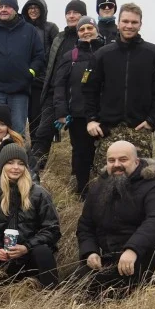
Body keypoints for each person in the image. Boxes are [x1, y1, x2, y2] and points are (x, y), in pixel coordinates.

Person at [74, 141, 155, 298]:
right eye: (111, 160)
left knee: (136, 290)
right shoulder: (97, 188)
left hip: (147, 254)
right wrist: (90, 252)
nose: (117, 164)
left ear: (136, 162)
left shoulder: (153, 186)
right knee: (77, 286)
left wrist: (132, 249)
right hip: (110, 256)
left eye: (123, 159)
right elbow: (85, 225)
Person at [83, 2, 155, 164]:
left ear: (140, 24)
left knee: (141, 182)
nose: (129, 26)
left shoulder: (154, 54)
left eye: (134, 22)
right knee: (106, 182)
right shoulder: (103, 54)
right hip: (108, 129)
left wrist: (152, 120)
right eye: (125, 21)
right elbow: (89, 89)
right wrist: (91, 119)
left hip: (139, 129)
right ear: (118, 23)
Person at [0, 143, 61, 288]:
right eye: (10, 163)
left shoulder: (39, 194)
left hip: (31, 256)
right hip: (5, 257)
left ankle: (52, 294)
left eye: (21, 163)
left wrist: (26, 247)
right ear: (1, 166)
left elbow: (52, 230)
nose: (16, 167)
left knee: (43, 252)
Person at [0, 0, 45, 135]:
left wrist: (30, 73)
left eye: (7, 6)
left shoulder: (29, 30)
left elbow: (39, 56)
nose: (3, 10)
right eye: (0, 7)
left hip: (20, 90)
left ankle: (16, 157)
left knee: (17, 130)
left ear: (15, 9)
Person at [51, 16, 104, 198]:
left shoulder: (107, 52)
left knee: (103, 153)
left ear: (96, 29)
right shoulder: (70, 57)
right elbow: (59, 86)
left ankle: (104, 190)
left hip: (104, 113)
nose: (86, 32)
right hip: (78, 114)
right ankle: (82, 191)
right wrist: (61, 112)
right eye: (82, 29)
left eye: (90, 27)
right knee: (81, 153)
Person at [32, 0, 88, 166]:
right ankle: (34, 171)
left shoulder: (88, 37)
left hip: (79, 95)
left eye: (75, 13)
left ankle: (77, 179)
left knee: (79, 140)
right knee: (42, 133)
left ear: (83, 15)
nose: (71, 16)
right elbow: (50, 63)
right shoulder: (59, 37)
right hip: (55, 94)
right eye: (68, 13)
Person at [22, 0, 59, 146]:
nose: (33, 10)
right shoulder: (22, 28)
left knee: (39, 121)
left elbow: (56, 53)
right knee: (25, 120)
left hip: (43, 82)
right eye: (30, 8)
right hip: (25, 81)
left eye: (36, 8)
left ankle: (39, 158)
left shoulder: (51, 28)